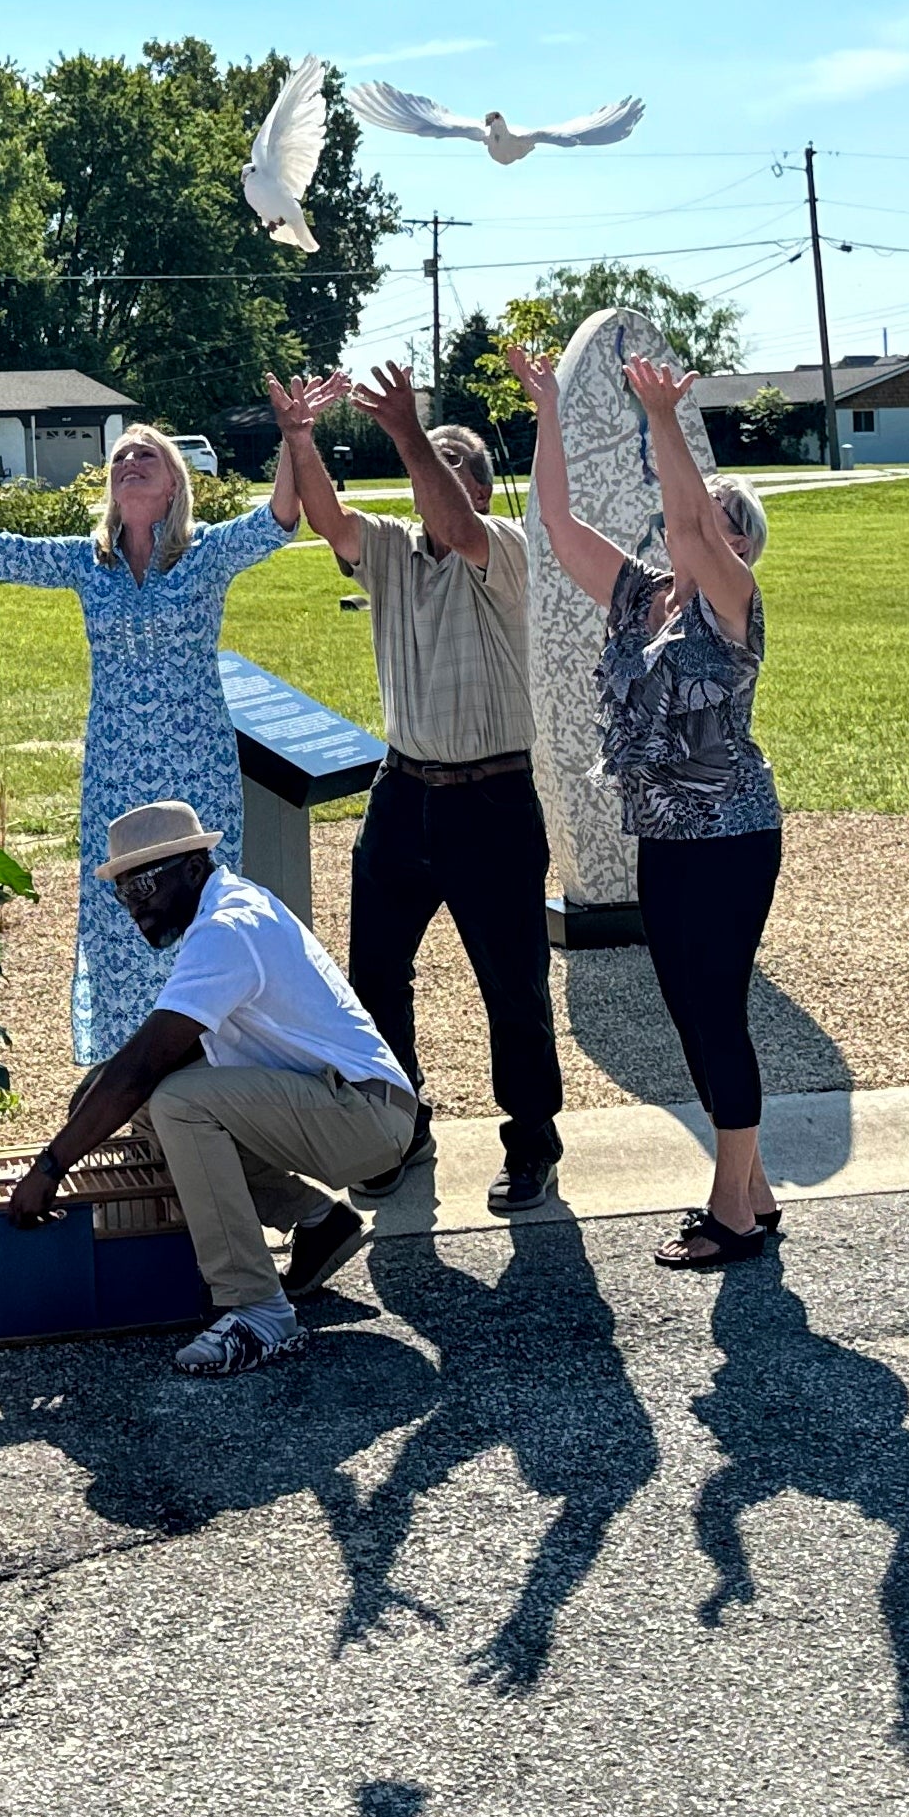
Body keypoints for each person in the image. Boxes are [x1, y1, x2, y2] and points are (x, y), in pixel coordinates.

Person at [0, 425, 299, 1062]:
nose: (130, 461)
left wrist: (294, 436)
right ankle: (135, 1071)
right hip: (115, 771)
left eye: (146, 454)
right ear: (110, 484)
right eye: (121, 456)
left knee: (202, 913)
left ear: (174, 481)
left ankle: (213, 1069)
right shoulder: (87, 561)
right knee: (122, 914)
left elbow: (277, 520)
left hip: (197, 771)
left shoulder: (204, 553)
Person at [272, 363, 570, 1217]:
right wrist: (301, 438)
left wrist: (408, 428)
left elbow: (455, 522)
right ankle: (397, 1134)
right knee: (374, 976)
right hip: (401, 791)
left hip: (494, 800)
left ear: (472, 483)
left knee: (511, 985)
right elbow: (326, 518)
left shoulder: (504, 548)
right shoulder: (393, 550)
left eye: (444, 462)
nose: (421, 474)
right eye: (418, 459)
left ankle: (531, 1143)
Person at [518, 346, 783, 1268]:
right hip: (664, 835)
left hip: (733, 834)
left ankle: (733, 1214)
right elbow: (554, 522)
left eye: (720, 528)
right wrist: (549, 408)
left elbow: (690, 523)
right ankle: (752, 1185)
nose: (698, 534)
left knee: (716, 1008)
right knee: (685, 1007)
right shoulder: (641, 600)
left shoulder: (733, 604)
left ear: (738, 543)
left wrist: (664, 421)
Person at [5, 801, 415, 1377]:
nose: (135, 905)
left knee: (177, 1102)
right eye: (124, 892)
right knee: (154, 1104)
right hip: (340, 1102)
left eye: (144, 883)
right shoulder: (227, 911)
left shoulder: (227, 929)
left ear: (194, 868)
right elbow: (160, 1056)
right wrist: (102, 1088)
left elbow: (146, 1064)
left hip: (365, 1114)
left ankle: (257, 1310)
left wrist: (51, 1167)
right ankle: (317, 1220)